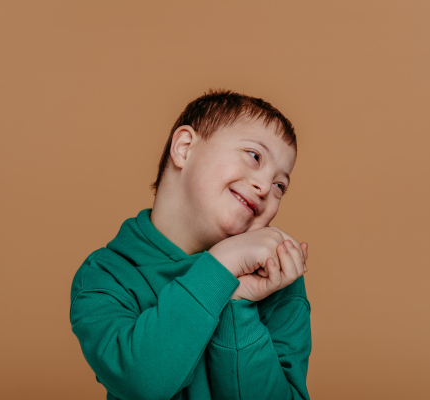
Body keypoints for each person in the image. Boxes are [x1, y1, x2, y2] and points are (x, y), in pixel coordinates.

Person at [69, 89, 311, 400]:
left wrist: (239, 304)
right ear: (184, 148)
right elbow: (143, 382)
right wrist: (220, 267)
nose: (265, 187)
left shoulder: (277, 279)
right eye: (254, 156)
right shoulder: (104, 276)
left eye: (280, 185)